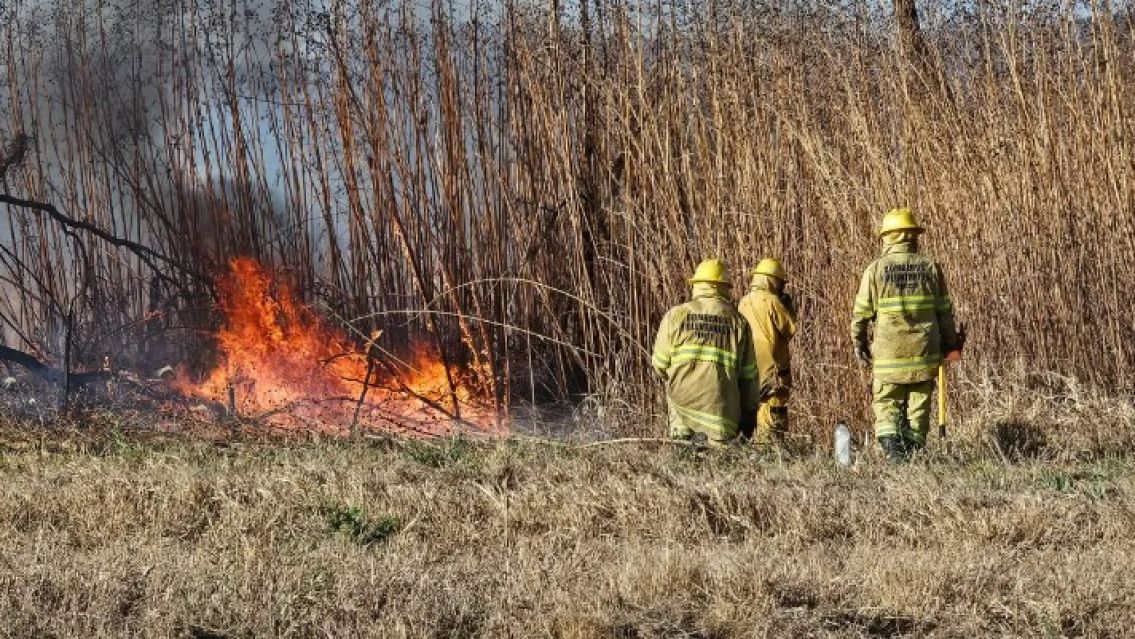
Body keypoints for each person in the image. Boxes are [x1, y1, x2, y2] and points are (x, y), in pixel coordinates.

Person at [851, 208, 962, 462]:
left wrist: (859, 344)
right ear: (913, 236)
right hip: (924, 354)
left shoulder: (876, 270)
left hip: (889, 355)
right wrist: (952, 343)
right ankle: (910, 457)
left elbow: (860, 315)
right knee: (919, 407)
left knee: (887, 404)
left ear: (887, 237)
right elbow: (944, 313)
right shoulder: (931, 268)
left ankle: (894, 455)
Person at [652, 259, 759, 448]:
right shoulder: (739, 322)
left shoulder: (675, 315)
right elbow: (749, 375)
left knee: (682, 456)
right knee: (721, 466)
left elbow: (660, 365)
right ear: (725, 288)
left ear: (697, 285)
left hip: (682, 401)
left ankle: (682, 445)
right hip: (721, 408)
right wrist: (749, 413)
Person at [738, 258, 798, 450]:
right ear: (773, 281)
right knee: (774, 408)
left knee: (751, 408)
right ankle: (769, 450)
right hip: (772, 366)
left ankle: (750, 447)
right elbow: (790, 329)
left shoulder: (743, 302)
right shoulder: (772, 301)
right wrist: (788, 306)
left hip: (748, 365)